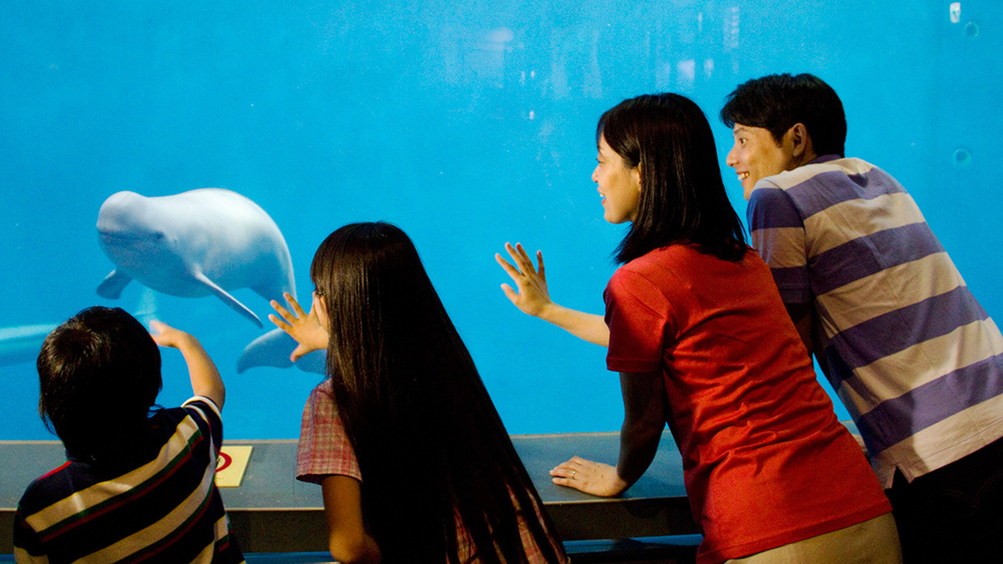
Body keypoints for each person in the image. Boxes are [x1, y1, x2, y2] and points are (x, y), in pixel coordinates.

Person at [496, 93, 901, 564]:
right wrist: (547, 310)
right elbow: (667, 342)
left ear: (643, 171)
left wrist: (618, 477)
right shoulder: (745, 262)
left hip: (770, 529)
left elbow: (645, 422)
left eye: (603, 162)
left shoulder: (637, 282)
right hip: (862, 508)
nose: (595, 176)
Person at [720, 72, 1003, 562]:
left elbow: (785, 342)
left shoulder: (777, 197)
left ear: (796, 138)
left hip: (938, 454)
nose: (733, 158)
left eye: (743, 140)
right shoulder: (879, 176)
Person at [268, 222, 567, 564]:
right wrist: (331, 340)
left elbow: (347, 545)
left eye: (320, 290)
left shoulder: (331, 402)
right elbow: (385, 347)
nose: (314, 300)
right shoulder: (446, 360)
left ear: (333, 304)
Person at [13, 306, 244, 564]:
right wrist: (185, 341)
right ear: (153, 383)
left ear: (51, 404)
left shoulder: (41, 507)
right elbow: (211, 390)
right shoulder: (186, 437)